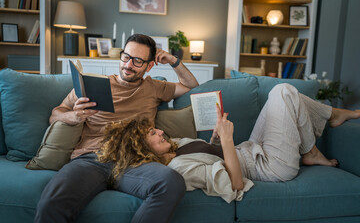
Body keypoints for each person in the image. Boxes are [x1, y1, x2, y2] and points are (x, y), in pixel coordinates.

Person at [97, 83, 360, 202]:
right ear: (143, 150)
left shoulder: (174, 147)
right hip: (269, 167)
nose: (159, 132)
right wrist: (226, 138)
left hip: (250, 148)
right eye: (152, 135)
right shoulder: (178, 170)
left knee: (282, 93)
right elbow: (234, 184)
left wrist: (214, 138)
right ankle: (319, 137)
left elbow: (212, 153)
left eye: (155, 129)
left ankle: (321, 133)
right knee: (285, 92)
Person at [34, 34, 199, 223]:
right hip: (91, 159)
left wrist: (173, 61)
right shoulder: (91, 84)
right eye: (126, 57)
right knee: (51, 203)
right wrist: (73, 116)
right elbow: (55, 115)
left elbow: (191, 86)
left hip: (134, 162)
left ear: (149, 66)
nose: (128, 65)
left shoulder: (154, 87)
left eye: (138, 61)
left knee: (172, 182)